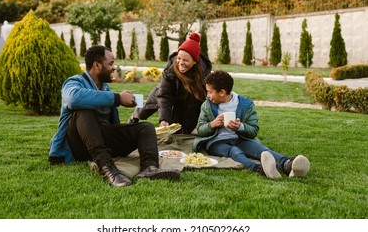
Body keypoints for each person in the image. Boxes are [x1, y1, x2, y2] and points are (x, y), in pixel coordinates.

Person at [48, 45, 180, 187]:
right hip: (78, 145)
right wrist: (117, 99)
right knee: (83, 111)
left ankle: (150, 168)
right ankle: (108, 169)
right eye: (110, 64)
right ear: (97, 65)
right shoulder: (74, 82)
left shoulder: (105, 88)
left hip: (102, 141)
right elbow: (74, 99)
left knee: (146, 128)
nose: (114, 67)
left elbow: (112, 126)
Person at [193, 70, 310, 179]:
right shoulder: (207, 105)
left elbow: (253, 130)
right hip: (216, 142)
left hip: (240, 139)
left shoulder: (245, 104)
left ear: (222, 92)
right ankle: (259, 168)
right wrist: (212, 124)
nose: (207, 95)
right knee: (234, 151)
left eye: (210, 92)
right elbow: (201, 129)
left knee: (261, 149)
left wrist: (240, 127)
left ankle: (288, 164)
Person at [128, 32, 212, 134]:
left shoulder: (202, 74)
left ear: (195, 61)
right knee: (143, 112)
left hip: (185, 99)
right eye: (179, 58)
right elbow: (165, 96)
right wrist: (164, 119)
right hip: (163, 93)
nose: (181, 62)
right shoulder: (171, 70)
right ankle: (135, 115)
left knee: (177, 130)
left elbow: (199, 101)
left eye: (186, 60)